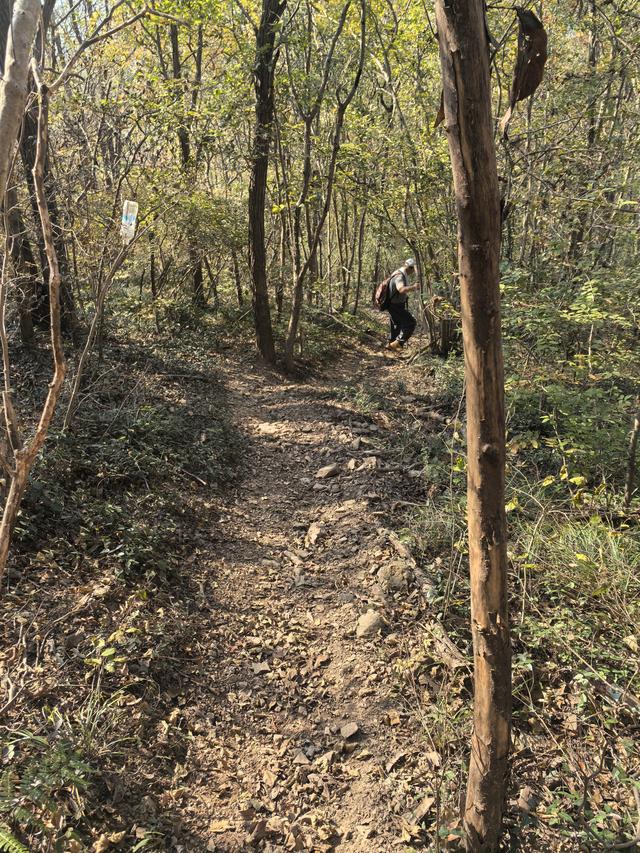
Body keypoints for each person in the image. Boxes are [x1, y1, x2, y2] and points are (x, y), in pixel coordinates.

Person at [386, 258, 420, 350]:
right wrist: (414, 287)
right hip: (395, 305)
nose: (413, 272)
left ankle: (391, 344)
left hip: (394, 304)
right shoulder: (400, 276)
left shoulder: (400, 273)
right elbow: (401, 289)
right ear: (410, 268)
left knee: (396, 324)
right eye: (413, 269)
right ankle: (398, 343)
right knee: (411, 323)